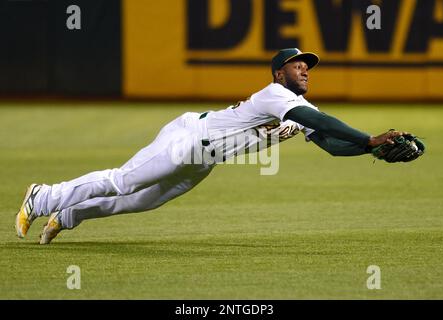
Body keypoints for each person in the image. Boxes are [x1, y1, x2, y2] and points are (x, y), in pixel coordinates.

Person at [15, 48, 406, 244]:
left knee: (138, 201)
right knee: (123, 182)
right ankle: (44, 196)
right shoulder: (274, 94)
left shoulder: (300, 107)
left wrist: (369, 151)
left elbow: (330, 143)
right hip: (187, 139)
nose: (305, 68)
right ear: (278, 72)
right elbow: (320, 123)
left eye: (308, 65)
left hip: (204, 160)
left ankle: (67, 218)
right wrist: (369, 138)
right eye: (297, 64)